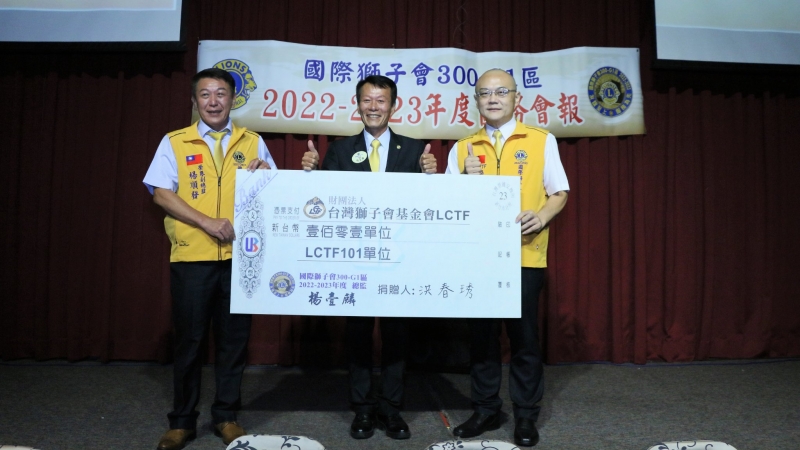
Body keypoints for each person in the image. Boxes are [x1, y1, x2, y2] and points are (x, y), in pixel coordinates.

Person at [143, 67, 276, 450]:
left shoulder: (252, 141)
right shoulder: (175, 141)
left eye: (221, 94)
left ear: (233, 100)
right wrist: (206, 222)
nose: (213, 101)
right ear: (194, 101)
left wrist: (267, 172)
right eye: (205, 94)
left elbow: (273, 191)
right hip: (192, 258)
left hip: (241, 259)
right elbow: (160, 193)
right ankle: (182, 421)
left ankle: (226, 416)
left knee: (234, 342)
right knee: (189, 342)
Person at [301, 74, 437, 440]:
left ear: (394, 106)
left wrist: (432, 177)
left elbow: (428, 207)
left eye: (381, 101)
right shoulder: (339, 150)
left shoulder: (415, 150)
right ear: (357, 104)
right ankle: (362, 408)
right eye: (367, 100)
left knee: (397, 336)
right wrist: (311, 175)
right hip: (355, 260)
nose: (373, 107)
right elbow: (323, 204)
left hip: (398, 261)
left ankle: (391, 408)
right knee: (358, 335)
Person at [444, 69, 569, 447]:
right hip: (479, 260)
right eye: (485, 93)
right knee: (482, 339)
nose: (493, 99)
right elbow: (446, 204)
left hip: (524, 256)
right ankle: (485, 409)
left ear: (517, 98)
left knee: (524, 339)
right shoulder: (463, 148)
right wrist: (463, 179)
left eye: (501, 92)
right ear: (476, 101)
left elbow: (559, 192)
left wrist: (541, 217)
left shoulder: (540, 140)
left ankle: (526, 415)